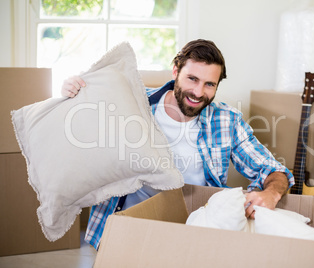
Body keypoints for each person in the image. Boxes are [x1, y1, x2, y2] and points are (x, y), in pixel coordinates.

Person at [62, 39, 295, 250]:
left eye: (209, 84)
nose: (198, 92)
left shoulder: (227, 121)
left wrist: (272, 193)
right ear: (176, 71)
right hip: (126, 225)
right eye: (192, 79)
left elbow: (273, 169)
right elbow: (82, 123)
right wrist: (72, 92)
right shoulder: (133, 103)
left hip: (192, 230)